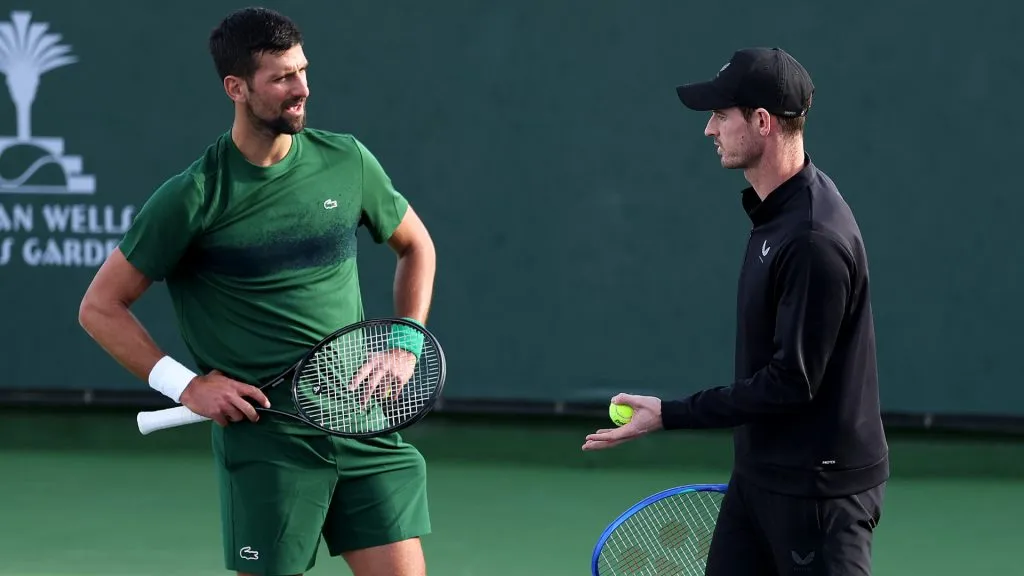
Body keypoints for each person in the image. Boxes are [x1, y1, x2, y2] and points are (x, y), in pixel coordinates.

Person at [78, 7, 436, 576]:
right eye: (282, 78)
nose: (302, 89)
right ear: (236, 88)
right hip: (269, 447)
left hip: (363, 422)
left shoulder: (347, 160)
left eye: (303, 71)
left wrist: (404, 343)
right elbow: (100, 307)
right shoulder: (192, 196)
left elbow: (416, 245)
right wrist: (187, 385)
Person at [582, 47, 889, 575]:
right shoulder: (777, 215)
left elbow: (790, 383)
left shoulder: (812, 238)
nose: (709, 129)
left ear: (762, 122)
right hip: (761, 478)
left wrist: (670, 414)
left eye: (722, 115)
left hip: (819, 494)